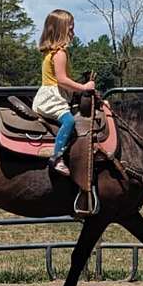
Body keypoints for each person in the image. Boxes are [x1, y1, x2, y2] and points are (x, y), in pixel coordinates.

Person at [33, 9, 95, 175]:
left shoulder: (50, 52)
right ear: (61, 29)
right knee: (69, 122)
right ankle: (57, 157)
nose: (73, 32)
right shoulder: (60, 53)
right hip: (53, 99)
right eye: (71, 28)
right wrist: (84, 87)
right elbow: (62, 79)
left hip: (53, 95)